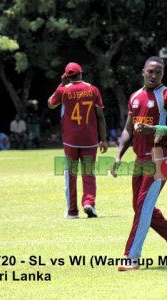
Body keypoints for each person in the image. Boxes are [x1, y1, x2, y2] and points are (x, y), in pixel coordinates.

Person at [111, 56, 167, 271]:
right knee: (140, 207)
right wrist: (119, 156)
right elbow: (128, 129)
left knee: (143, 207)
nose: (154, 75)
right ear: (143, 72)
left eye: (158, 72)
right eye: (150, 71)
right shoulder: (135, 97)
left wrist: (154, 129)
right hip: (140, 159)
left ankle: (131, 257)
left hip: (160, 157)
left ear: (162, 74)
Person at [48, 62, 108, 219]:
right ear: (81, 73)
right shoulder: (92, 89)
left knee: (70, 174)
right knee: (88, 172)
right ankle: (89, 202)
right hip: (90, 139)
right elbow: (100, 116)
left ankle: (72, 211)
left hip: (70, 140)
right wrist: (103, 139)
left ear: (67, 76)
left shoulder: (64, 90)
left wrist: (61, 84)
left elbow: (51, 104)